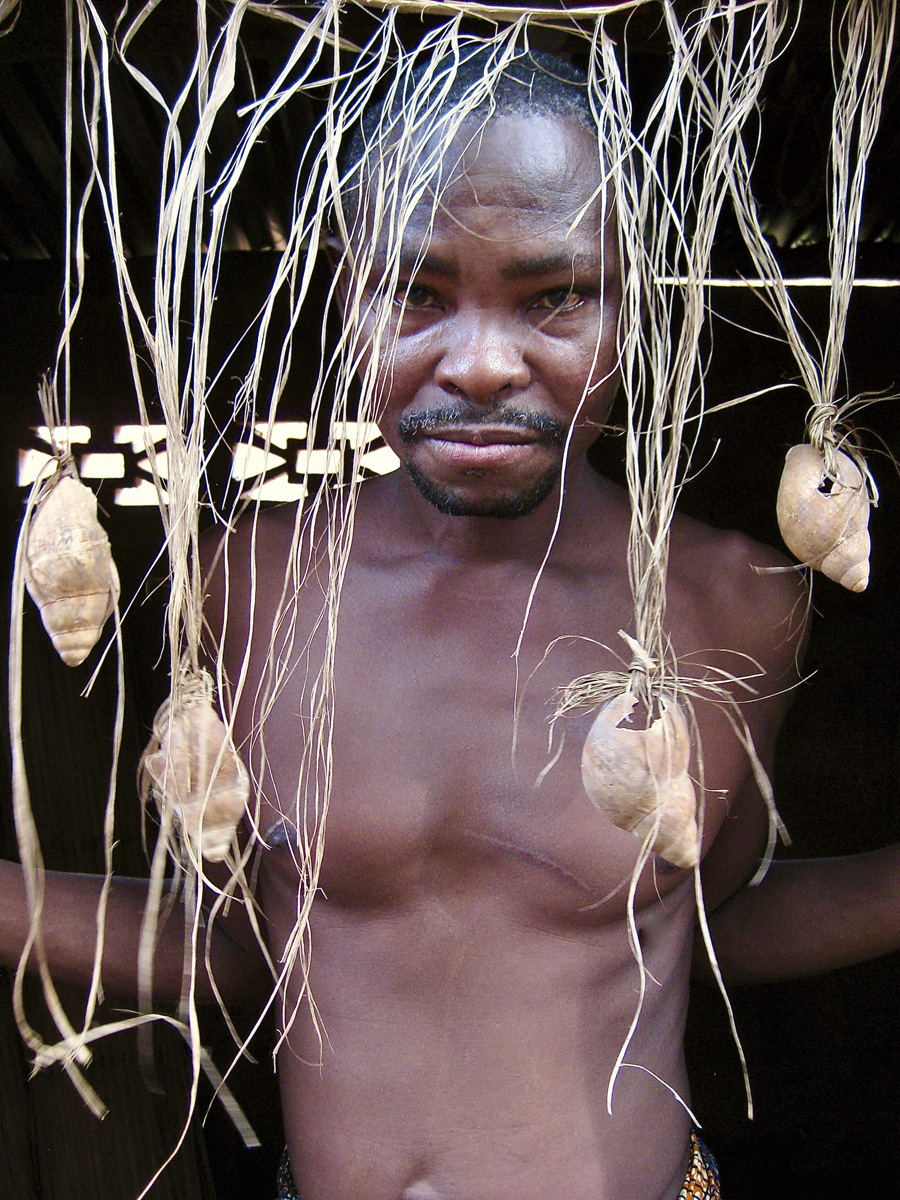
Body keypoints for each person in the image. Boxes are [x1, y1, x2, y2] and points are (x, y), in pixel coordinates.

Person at [2, 49, 900, 1200]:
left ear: (635, 306)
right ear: (346, 297)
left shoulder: (737, 606)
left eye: (555, 294)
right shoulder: (252, 585)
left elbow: (698, 922)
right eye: (416, 292)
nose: (478, 363)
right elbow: (258, 941)